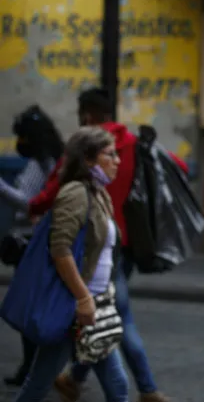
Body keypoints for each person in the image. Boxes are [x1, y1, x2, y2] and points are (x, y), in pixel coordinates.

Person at [28, 88, 182, 402]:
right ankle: (116, 383)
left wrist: (34, 207)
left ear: (87, 115)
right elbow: (179, 166)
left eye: (115, 155)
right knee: (107, 326)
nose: (114, 160)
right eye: (109, 156)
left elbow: (51, 193)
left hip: (98, 261)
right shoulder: (132, 147)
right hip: (113, 257)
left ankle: (138, 386)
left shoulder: (93, 166)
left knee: (116, 328)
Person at [13, 126, 128, 402]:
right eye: (109, 155)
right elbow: (60, 249)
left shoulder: (99, 192)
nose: (118, 161)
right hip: (75, 307)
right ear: (88, 159)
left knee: (117, 387)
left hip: (95, 305)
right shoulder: (76, 193)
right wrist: (83, 297)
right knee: (39, 384)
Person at [1, 106, 64, 386]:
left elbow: (32, 202)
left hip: (33, 242)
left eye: (23, 138)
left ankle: (36, 369)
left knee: (29, 309)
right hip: (28, 240)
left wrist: (1, 189)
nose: (20, 143)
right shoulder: (40, 161)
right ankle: (35, 368)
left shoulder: (45, 163)